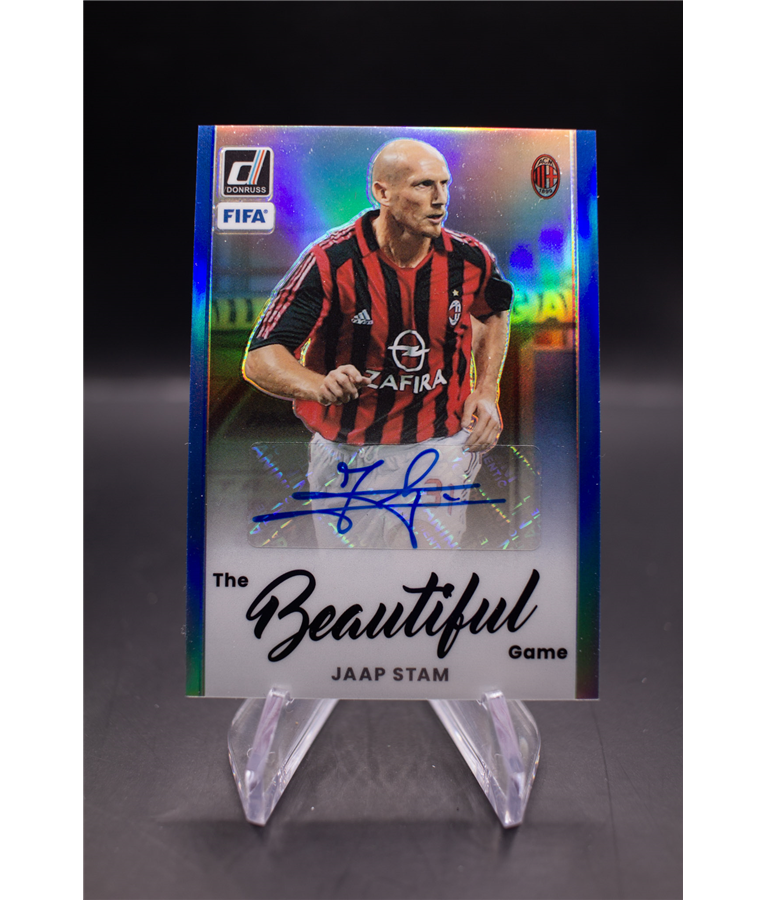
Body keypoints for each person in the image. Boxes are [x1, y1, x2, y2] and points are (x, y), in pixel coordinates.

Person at [243, 139, 513, 549]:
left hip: (440, 447)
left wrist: (486, 388)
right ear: (382, 193)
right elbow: (262, 356)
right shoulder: (330, 261)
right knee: (353, 579)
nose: (441, 199)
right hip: (349, 455)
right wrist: (317, 385)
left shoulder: (470, 258)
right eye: (424, 185)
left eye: (444, 184)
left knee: (423, 576)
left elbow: (494, 311)